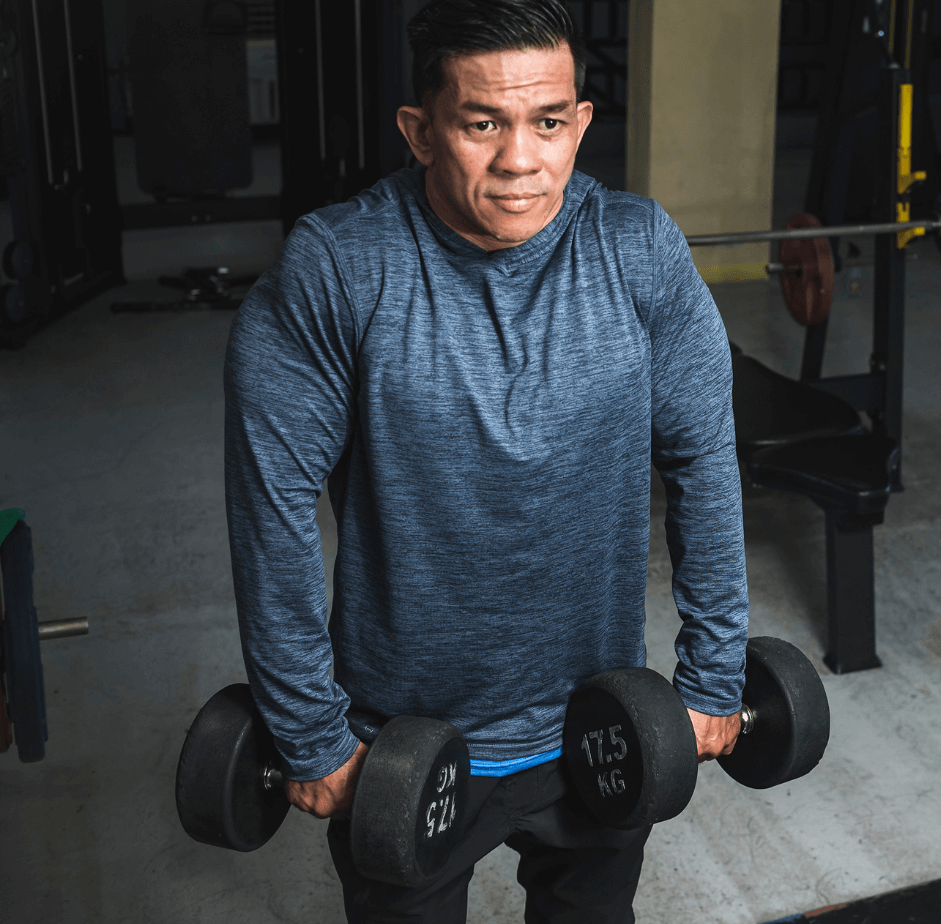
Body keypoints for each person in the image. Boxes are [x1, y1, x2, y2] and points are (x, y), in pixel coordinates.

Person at [221, 1, 749, 920]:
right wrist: (308, 732)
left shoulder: (638, 250)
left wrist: (714, 673)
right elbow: (271, 503)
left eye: (548, 122)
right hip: (401, 742)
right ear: (420, 133)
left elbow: (703, 456)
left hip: (601, 723)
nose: (520, 160)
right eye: (481, 124)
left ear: (581, 120)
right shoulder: (339, 268)